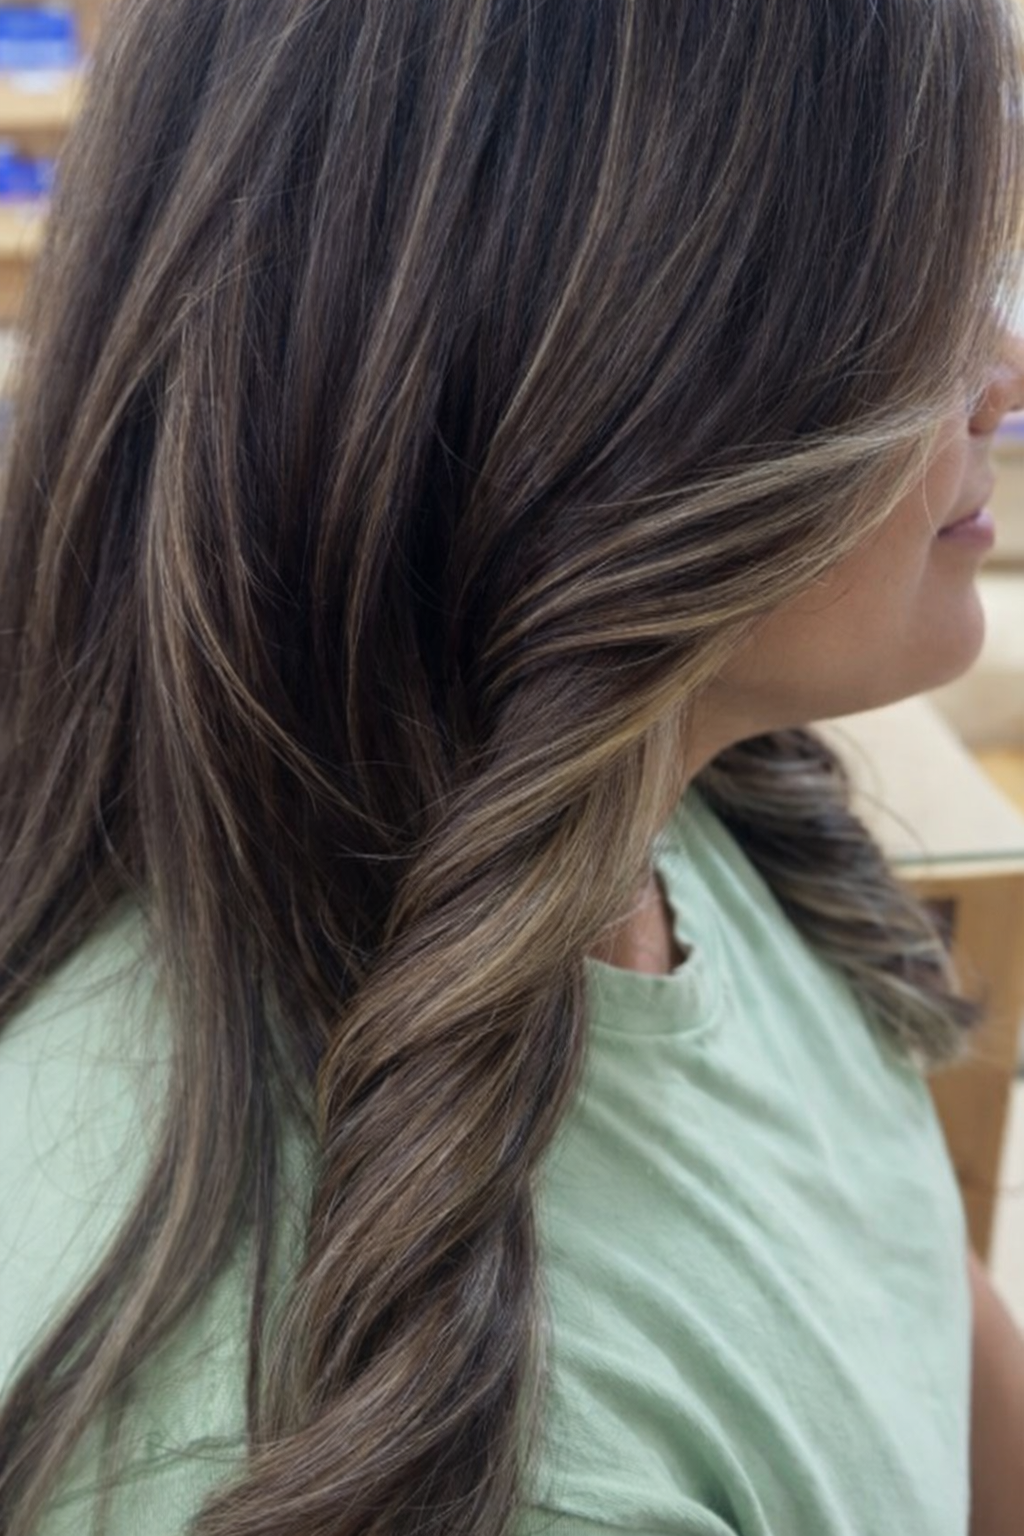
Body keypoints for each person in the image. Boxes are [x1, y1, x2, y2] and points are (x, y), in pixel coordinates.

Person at [0, 1, 1023, 1533]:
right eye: (922, 291)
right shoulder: (421, 1460)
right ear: (606, 374)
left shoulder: (678, 805)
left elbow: (917, 1330)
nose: (1006, 369)